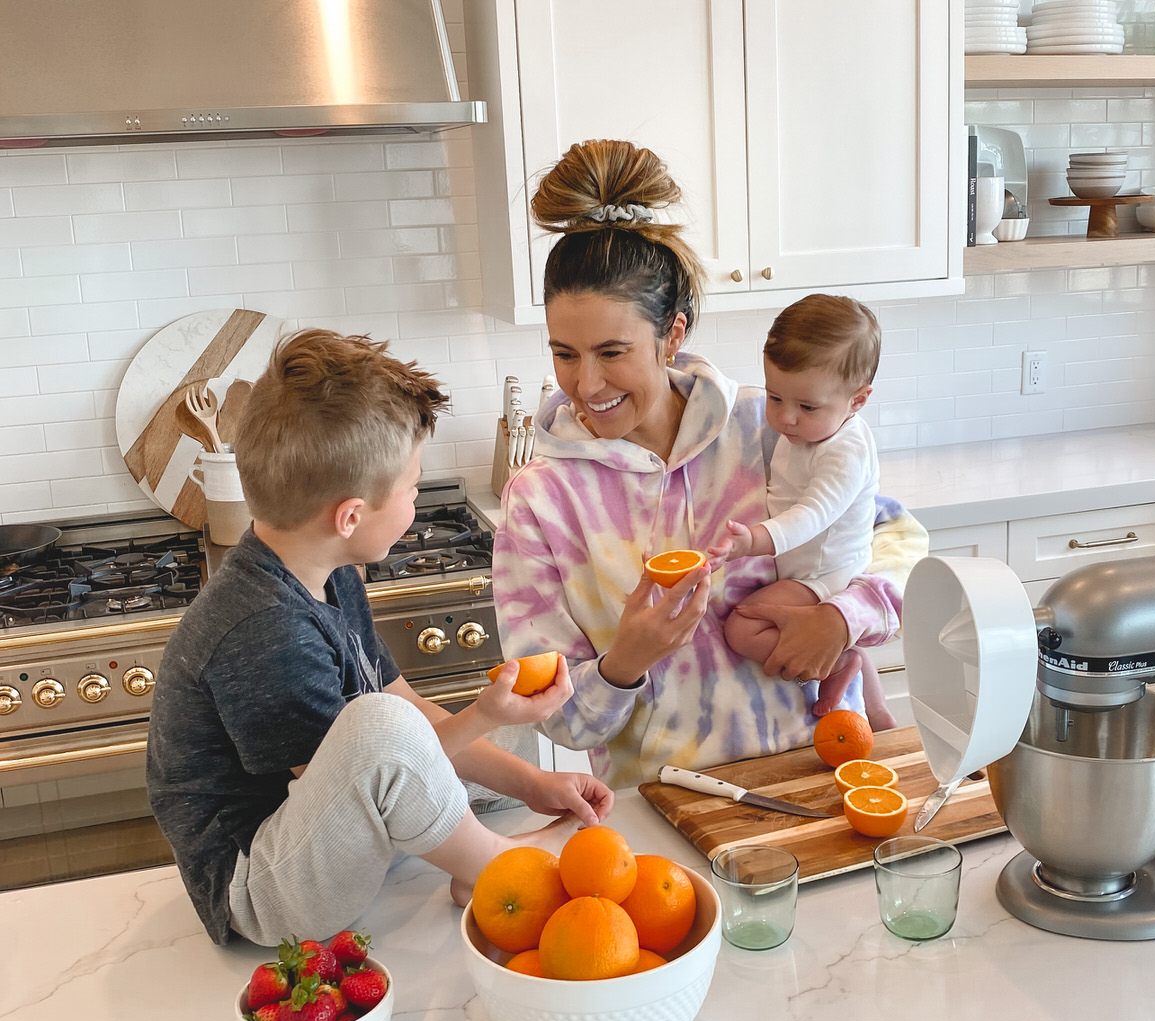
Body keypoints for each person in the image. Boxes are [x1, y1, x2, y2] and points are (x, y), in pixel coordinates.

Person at [146, 329, 613, 947]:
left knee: (472, 735)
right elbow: (371, 762)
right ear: (350, 516)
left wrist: (537, 785)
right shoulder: (263, 629)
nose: (418, 499)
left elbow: (406, 708)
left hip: (321, 834)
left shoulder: (328, 570)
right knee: (387, 728)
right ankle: (503, 870)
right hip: (262, 891)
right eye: (414, 486)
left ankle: (479, 860)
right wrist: (481, 714)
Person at [492, 139, 929, 788]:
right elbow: (558, 716)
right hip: (667, 814)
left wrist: (843, 617)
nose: (586, 385)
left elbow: (897, 539)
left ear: (673, 333)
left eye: (612, 352)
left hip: (826, 777)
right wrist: (626, 661)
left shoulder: (770, 426)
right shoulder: (541, 501)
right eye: (564, 353)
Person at [707, 294, 895, 731]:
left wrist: (754, 541)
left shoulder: (846, 449)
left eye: (806, 406)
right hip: (807, 569)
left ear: (858, 400)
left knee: (743, 628)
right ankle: (857, 673)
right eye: (775, 397)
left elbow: (813, 513)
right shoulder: (809, 431)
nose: (786, 418)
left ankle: (839, 661)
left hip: (825, 574)